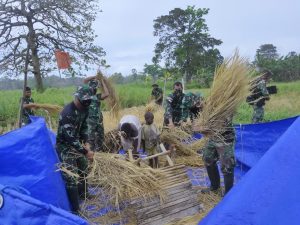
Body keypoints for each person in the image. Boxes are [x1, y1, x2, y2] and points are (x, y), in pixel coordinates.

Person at [56, 85, 95, 215]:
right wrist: (86, 152)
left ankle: (84, 194)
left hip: (78, 144)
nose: (86, 104)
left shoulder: (85, 108)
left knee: (84, 166)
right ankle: (75, 209)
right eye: (84, 102)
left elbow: (84, 128)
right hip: (65, 146)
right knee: (71, 175)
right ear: (77, 98)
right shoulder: (67, 113)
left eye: (89, 101)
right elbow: (70, 138)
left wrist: (87, 143)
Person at [196, 116, 236, 196]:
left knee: (227, 165)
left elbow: (221, 122)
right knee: (208, 159)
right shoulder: (209, 105)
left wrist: (206, 127)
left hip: (225, 138)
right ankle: (215, 186)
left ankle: (228, 195)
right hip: (213, 137)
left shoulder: (225, 108)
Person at [83, 74, 109, 152]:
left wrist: (102, 82)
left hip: (99, 122)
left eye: (95, 88)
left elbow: (107, 94)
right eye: (93, 88)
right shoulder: (86, 95)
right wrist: (94, 76)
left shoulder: (97, 96)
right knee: (90, 140)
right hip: (90, 123)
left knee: (100, 138)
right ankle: (91, 155)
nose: (94, 89)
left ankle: (100, 154)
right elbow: (84, 81)